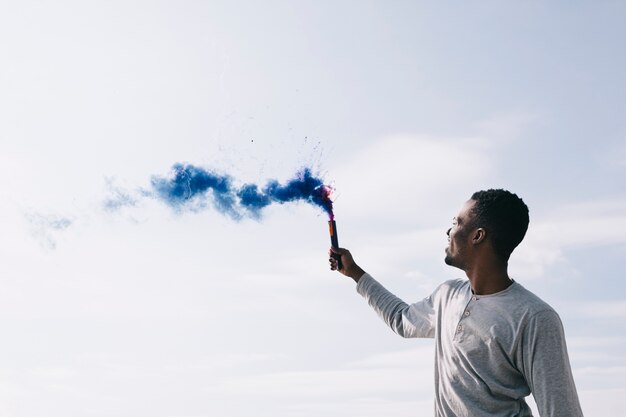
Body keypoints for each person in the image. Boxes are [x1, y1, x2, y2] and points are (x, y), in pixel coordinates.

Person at [329, 189, 583, 417]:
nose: (449, 231)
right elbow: (401, 319)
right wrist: (355, 273)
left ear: (477, 236)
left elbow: (561, 410)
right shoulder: (447, 296)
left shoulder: (534, 317)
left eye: (456, 222)